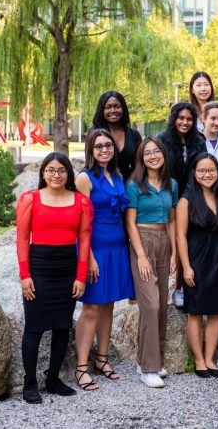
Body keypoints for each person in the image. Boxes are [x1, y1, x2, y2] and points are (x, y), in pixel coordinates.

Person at [16, 152, 93, 404]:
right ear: (43, 173)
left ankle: (53, 379)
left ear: (69, 174)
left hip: (66, 268)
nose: (56, 175)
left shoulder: (80, 201)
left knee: (62, 326)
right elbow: (21, 239)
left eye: (61, 170)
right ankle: (30, 383)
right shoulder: (31, 199)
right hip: (39, 268)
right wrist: (25, 275)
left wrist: (80, 277)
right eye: (51, 170)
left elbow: (84, 240)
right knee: (34, 328)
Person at [74, 129, 134, 392]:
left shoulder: (118, 175)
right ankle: (81, 367)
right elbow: (80, 222)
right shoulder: (84, 178)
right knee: (91, 309)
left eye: (108, 145)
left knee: (109, 305)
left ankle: (102, 359)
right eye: (98, 146)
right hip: (95, 248)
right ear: (90, 149)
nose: (104, 150)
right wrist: (89, 258)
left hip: (117, 246)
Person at [125, 137, 178, 388]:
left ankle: (146, 359)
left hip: (164, 242)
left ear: (164, 155)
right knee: (150, 305)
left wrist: (175, 252)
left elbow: (172, 220)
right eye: (147, 153)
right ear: (141, 158)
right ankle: (149, 369)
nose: (153, 156)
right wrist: (142, 256)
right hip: (142, 241)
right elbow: (130, 223)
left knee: (162, 305)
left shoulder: (172, 185)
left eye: (157, 151)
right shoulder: (135, 185)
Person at [176, 153, 218, 378]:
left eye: (211, 170)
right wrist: (186, 267)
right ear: (194, 173)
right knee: (196, 312)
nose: (206, 175)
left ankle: (210, 358)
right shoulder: (186, 200)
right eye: (202, 170)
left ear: (217, 173)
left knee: (217, 312)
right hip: (197, 260)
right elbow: (180, 236)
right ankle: (199, 360)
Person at [157, 102, 207, 197]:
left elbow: (203, 167)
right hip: (167, 192)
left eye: (189, 119)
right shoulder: (161, 140)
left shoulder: (199, 141)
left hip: (193, 194)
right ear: (174, 119)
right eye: (181, 118)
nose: (185, 122)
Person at [90, 91, 142, 181]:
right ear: (102, 110)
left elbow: (138, 166)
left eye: (117, 106)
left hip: (128, 184)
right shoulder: (94, 132)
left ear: (123, 108)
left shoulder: (134, 135)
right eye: (108, 107)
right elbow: (90, 162)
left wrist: (131, 186)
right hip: (100, 182)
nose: (113, 110)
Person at [189, 71, 218, 135]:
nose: (203, 89)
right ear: (192, 90)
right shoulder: (188, 111)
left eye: (206, 84)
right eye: (199, 85)